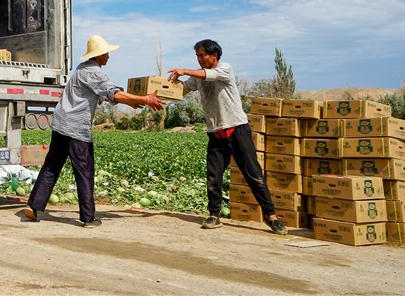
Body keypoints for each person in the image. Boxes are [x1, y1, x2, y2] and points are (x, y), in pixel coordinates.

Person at [24, 35, 164, 227]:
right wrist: (146, 99)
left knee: (52, 166)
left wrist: (133, 102)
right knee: (84, 170)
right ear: (99, 55)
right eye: (106, 53)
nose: (108, 56)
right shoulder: (95, 73)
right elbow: (113, 92)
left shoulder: (82, 69)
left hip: (61, 124)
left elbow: (107, 95)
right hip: (76, 128)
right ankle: (88, 217)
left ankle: (34, 206)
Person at [168, 39, 287, 235]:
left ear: (213, 56)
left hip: (236, 130)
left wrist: (185, 70)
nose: (199, 59)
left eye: (201, 55)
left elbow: (209, 75)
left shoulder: (225, 69)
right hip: (216, 133)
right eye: (197, 56)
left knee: (253, 174)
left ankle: (271, 216)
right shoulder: (198, 76)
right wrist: (163, 89)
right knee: (213, 176)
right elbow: (183, 89)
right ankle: (214, 215)